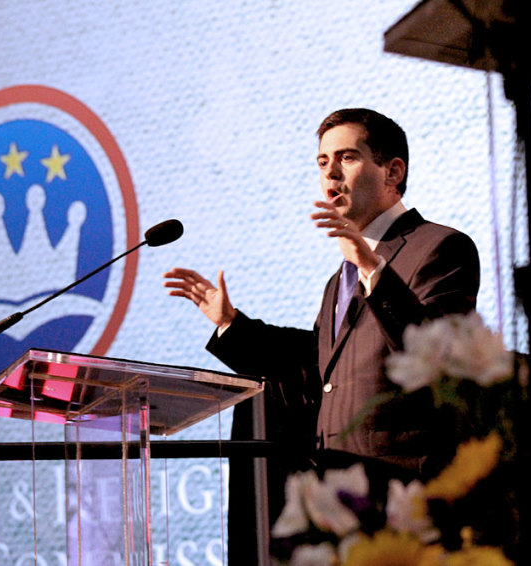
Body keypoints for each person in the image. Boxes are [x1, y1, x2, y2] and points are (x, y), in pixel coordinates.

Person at [164, 108, 480, 561]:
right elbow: (316, 369)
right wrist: (231, 324)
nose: (330, 172)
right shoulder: (340, 279)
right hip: (343, 505)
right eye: (321, 161)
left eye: (347, 157)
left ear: (393, 172)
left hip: (407, 501)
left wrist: (372, 267)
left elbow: (438, 355)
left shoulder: (441, 247)